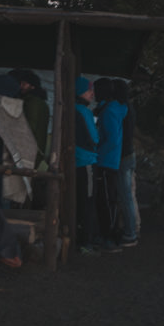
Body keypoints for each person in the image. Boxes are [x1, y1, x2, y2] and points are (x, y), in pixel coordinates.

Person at [93, 77, 126, 252]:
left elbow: (111, 138)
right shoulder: (114, 108)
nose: (93, 94)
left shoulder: (109, 111)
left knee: (105, 200)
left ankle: (109, 237)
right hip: (111, 160)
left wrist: (97, 151)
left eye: (95, 90)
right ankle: (109, 234)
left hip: (106, 161)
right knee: (109, 198)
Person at [73, 75, 101, 254]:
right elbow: (94, 138)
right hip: (87, 161)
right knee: (89, 201)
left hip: (75, 160)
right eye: (89, 90)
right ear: (80, 92)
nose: (92, 93)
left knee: (79, 199)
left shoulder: (71, 109)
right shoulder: (84, 112)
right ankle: (87, 242)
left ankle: (80, 236)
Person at [114, 79, 139, 247]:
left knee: (125, 196)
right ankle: (133, 227)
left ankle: (130, 233)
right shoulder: (129, 107)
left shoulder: (120, 109)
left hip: (122, 156)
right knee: (129, 194)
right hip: (130, 154)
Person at [9, 68, 50, 170]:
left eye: (24, 84)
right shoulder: (40, 102)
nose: (21, 86)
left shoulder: (32, 103)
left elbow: (29, 127)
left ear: (32, 86)